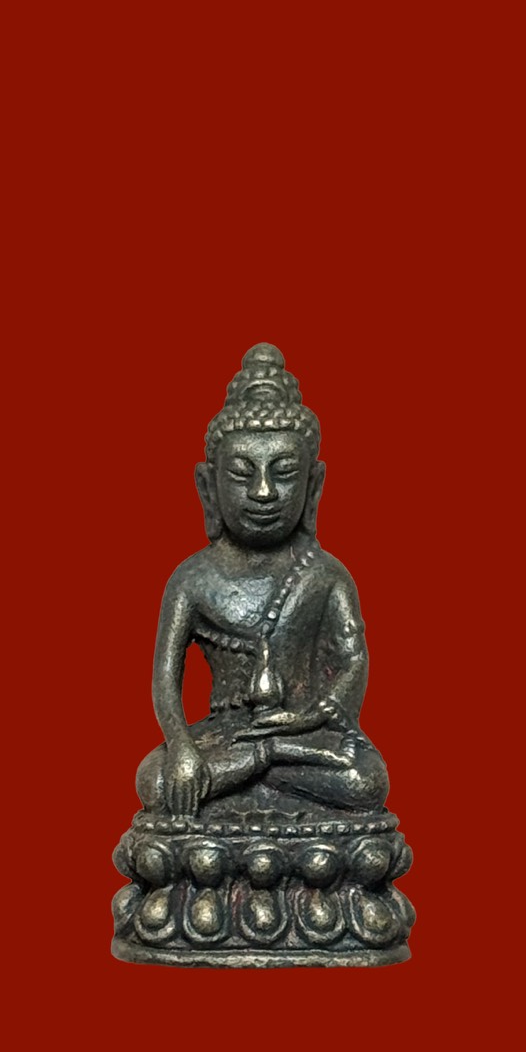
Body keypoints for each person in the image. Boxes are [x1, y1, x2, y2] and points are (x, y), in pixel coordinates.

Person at [136, 344, 390, 818]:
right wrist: (182, 746)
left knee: (365, 781)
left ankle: (264, 760)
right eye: (241, 473)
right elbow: (165, 680)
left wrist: (310, 718)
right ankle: (260, 761)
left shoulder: (326, 575)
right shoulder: (191, 579)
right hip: (225, 736)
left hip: (302, 736)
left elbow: (352, 662)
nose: (264, 492)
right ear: (208, 486)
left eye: (285, 472)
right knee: (156, 778)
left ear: (313, 486)